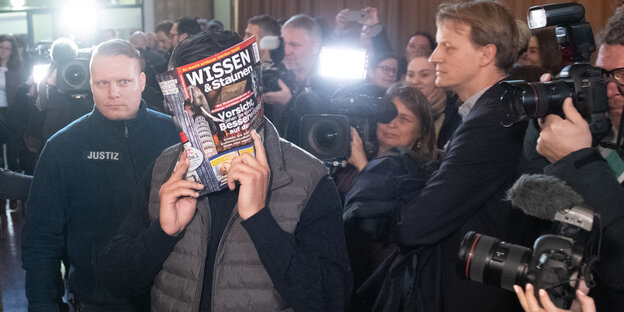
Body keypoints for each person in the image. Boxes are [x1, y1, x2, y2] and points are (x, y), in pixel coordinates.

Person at [99, 29, 351, 312]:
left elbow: (331, 300)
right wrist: (162, 234)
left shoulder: (307, 177)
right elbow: (115, 281)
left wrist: (259, 220)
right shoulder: (166, 168)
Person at [393, 1, 537, 311]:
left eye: (448, 46)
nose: (434, 57)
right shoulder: (489, 108)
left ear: (486, 54)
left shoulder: (492, 120)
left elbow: (419, 223)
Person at [21, 39, 179, 311]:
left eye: (123, 82)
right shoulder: (63, 148)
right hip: (97, 300)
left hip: (174, 298)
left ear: (141, 81)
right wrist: (43, 304)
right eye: (103, 83)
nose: (113, 93)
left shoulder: (175, 136)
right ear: (90, 84)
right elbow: (41, 239)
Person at [524, 9, 624, 310]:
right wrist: (542, 123)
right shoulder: (600, 131)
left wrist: (579, 160)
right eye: (603, 74)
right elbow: (531, 206)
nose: (608, 90)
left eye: (622, 75)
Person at [342, 84, 438, 308]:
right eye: (387, 115)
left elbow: (385, 227)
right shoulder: (346, 158)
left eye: (404, 119)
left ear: (422, 131)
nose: (392, 124)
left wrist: (363, 166)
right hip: (344, 269)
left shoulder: (424, 175)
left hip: (380, 279)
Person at [262, 14, 324, 143]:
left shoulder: (329, 86)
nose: (287, 51)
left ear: (316, 47)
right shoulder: (276, 78)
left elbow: (320, 135)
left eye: (294, 45)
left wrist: (289, 105)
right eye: (284, 44)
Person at [405, 55, 462, 148]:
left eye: (424, 75)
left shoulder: (456, 115)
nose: (415, 81)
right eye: (410, 75)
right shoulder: (396, 108)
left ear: (438, 76)